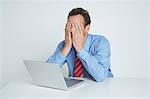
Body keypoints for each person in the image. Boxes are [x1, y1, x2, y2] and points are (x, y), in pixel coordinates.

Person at [47, 8, 113, 82]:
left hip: (103, 87)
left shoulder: (101, 42)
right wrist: (66, 47)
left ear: (87, 28)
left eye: (76, 27)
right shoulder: (65, 44)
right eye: (70, 26)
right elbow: (47, 72)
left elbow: (100, 76)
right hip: (77, 88)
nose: (71, 30)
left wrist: (80, 49)